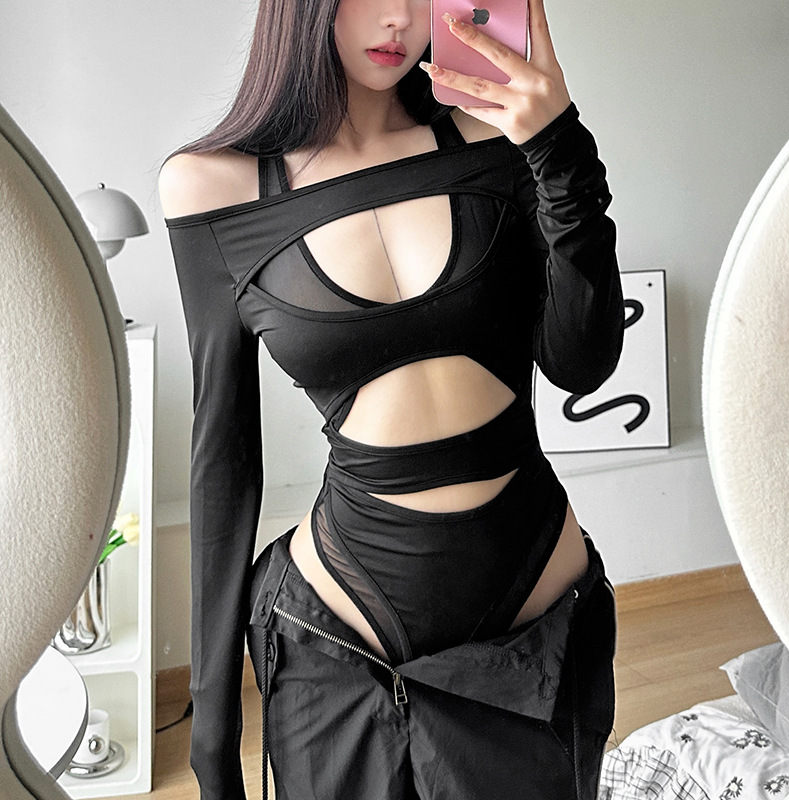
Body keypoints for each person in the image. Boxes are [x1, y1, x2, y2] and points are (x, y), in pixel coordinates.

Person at [159, 0, 623, 797]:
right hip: (346, 638)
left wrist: (558, 148)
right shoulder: (212, 189)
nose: (400, 17)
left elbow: (580, 364)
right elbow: (223, 462)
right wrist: (213, 753)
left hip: (536, 624)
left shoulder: (498, 137)